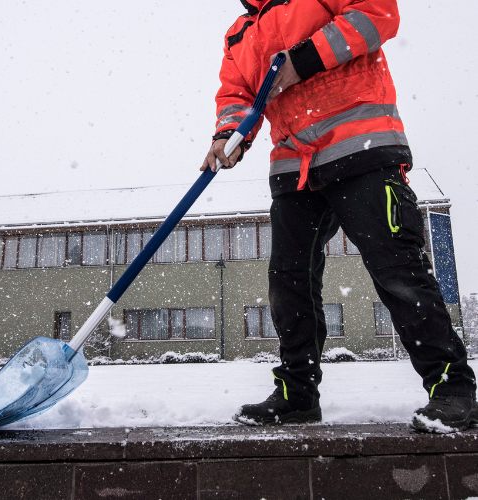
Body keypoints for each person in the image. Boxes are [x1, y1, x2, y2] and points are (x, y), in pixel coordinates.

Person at [201, 0, 477, 432]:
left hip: (361, 148)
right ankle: (297, 395)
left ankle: (452, 389)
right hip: (294, 165)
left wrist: (303, 59)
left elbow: (377, 14)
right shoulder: (240, 33)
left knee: (397, 270)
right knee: (289, 282)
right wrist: (229, 135)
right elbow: (238, 93)